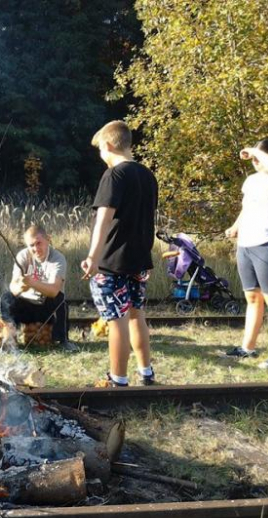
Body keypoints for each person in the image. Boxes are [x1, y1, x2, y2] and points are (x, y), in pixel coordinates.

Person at [81, 120, 158, 387]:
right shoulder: (148, 175)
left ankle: (118, 379)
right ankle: (146, 372)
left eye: (100, 150)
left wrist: (92, 256)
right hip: (138, 258)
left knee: (117, 320)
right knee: (137, 315)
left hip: (112, 260)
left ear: (108, 145)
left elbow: (104, 220)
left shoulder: (114, 175)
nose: (101, 156)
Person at [224, 138, 268, 369]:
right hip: (247, 244)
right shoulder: (251, 181)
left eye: (257, 157)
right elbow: (248, 207)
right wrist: (235, 226)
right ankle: (248, 348)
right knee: (252, 297)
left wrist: (255, 151)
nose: (254, 161)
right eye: (252, 158)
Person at [0, 225, 78, 352]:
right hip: (26, 306)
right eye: (31, 245)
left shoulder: (58, 258)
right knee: (6, 298)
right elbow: (13, 287)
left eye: (39, 243)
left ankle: (62, 340)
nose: (36, 248)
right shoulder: (22, 256)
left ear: (48, 239)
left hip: (46, 308)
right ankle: (10, 341)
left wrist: (32, 282)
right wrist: (22, 286)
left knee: (60, 299)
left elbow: (54, 290)